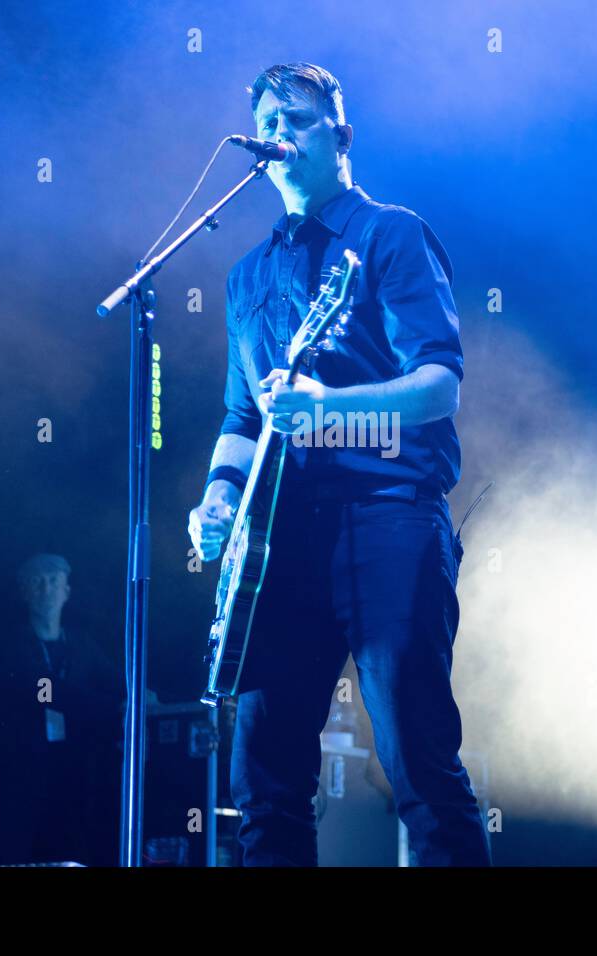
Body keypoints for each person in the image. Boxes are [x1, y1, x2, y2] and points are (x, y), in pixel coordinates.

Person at [187, 63, 490, 866]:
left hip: (389, 511)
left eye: (295, 116)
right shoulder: (245, 275)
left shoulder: (390, 234)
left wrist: (328, 412)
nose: (276, 129)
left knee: (416, 756)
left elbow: (438, 384)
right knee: (264, 779)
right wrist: (218, 494)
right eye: (265, 118)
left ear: (340, 136)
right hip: (281, 540)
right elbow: (241, 414)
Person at [0, 553, 123, 865]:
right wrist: (118, 711)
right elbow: (50, 692)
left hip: (70, 776)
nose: (46, 589)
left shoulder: (81, 644)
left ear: (67, 591)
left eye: (54, 581)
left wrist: (146, 697)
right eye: (37, 582)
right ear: (24, 592)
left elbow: (119, 682)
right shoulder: (11, 644)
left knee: (70, 852)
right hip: (18, 777)